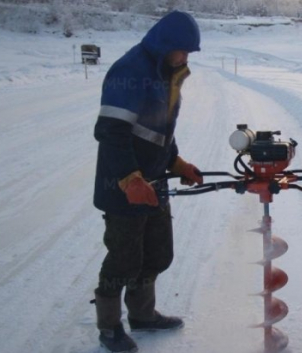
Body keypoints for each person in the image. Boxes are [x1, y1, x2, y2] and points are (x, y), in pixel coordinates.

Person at [92, 11, 204, 353]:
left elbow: (159, 131)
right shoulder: (131, 71)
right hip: (123, 185)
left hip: (155, 180)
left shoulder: (166, 74)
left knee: (157, 253)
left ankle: (142, 315)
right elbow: (110, 131)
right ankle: (109, 326)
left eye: (189, 53)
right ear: (164, 45)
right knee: (124, 259)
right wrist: (129, 179)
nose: (184, 58)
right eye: (181, 51)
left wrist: (177, 162)